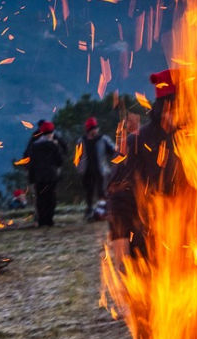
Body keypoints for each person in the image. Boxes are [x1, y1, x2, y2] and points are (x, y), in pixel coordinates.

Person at [107, 69, 183, 261]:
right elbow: (119, 203)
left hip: (191, 248)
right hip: (148, 250)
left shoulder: (196, 144)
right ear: (166, 108)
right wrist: (122, 260)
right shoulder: (135, 144)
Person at [76, 116, 116, 220]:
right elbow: (77, 157)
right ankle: (89, 210)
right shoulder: (81, 141)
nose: (95, 131)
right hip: (86, 171)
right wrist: (79, 168)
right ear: (88, 130)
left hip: (101, 171)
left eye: (95, 129)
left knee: (102, 192)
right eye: (92, 129)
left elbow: (113, 151)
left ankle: (102, 211)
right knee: (89, 192)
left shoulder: (103, 139)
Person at [27, 121, 63, 227]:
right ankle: (49, 220)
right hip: (51, 176)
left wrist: (31, 178)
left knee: (41, 199)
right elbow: (59, 161)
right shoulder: (53, 145)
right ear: (51, 133)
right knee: (50, 198)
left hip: (39, 177)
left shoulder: (34, 146)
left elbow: (31, 163)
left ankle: (42, 220)